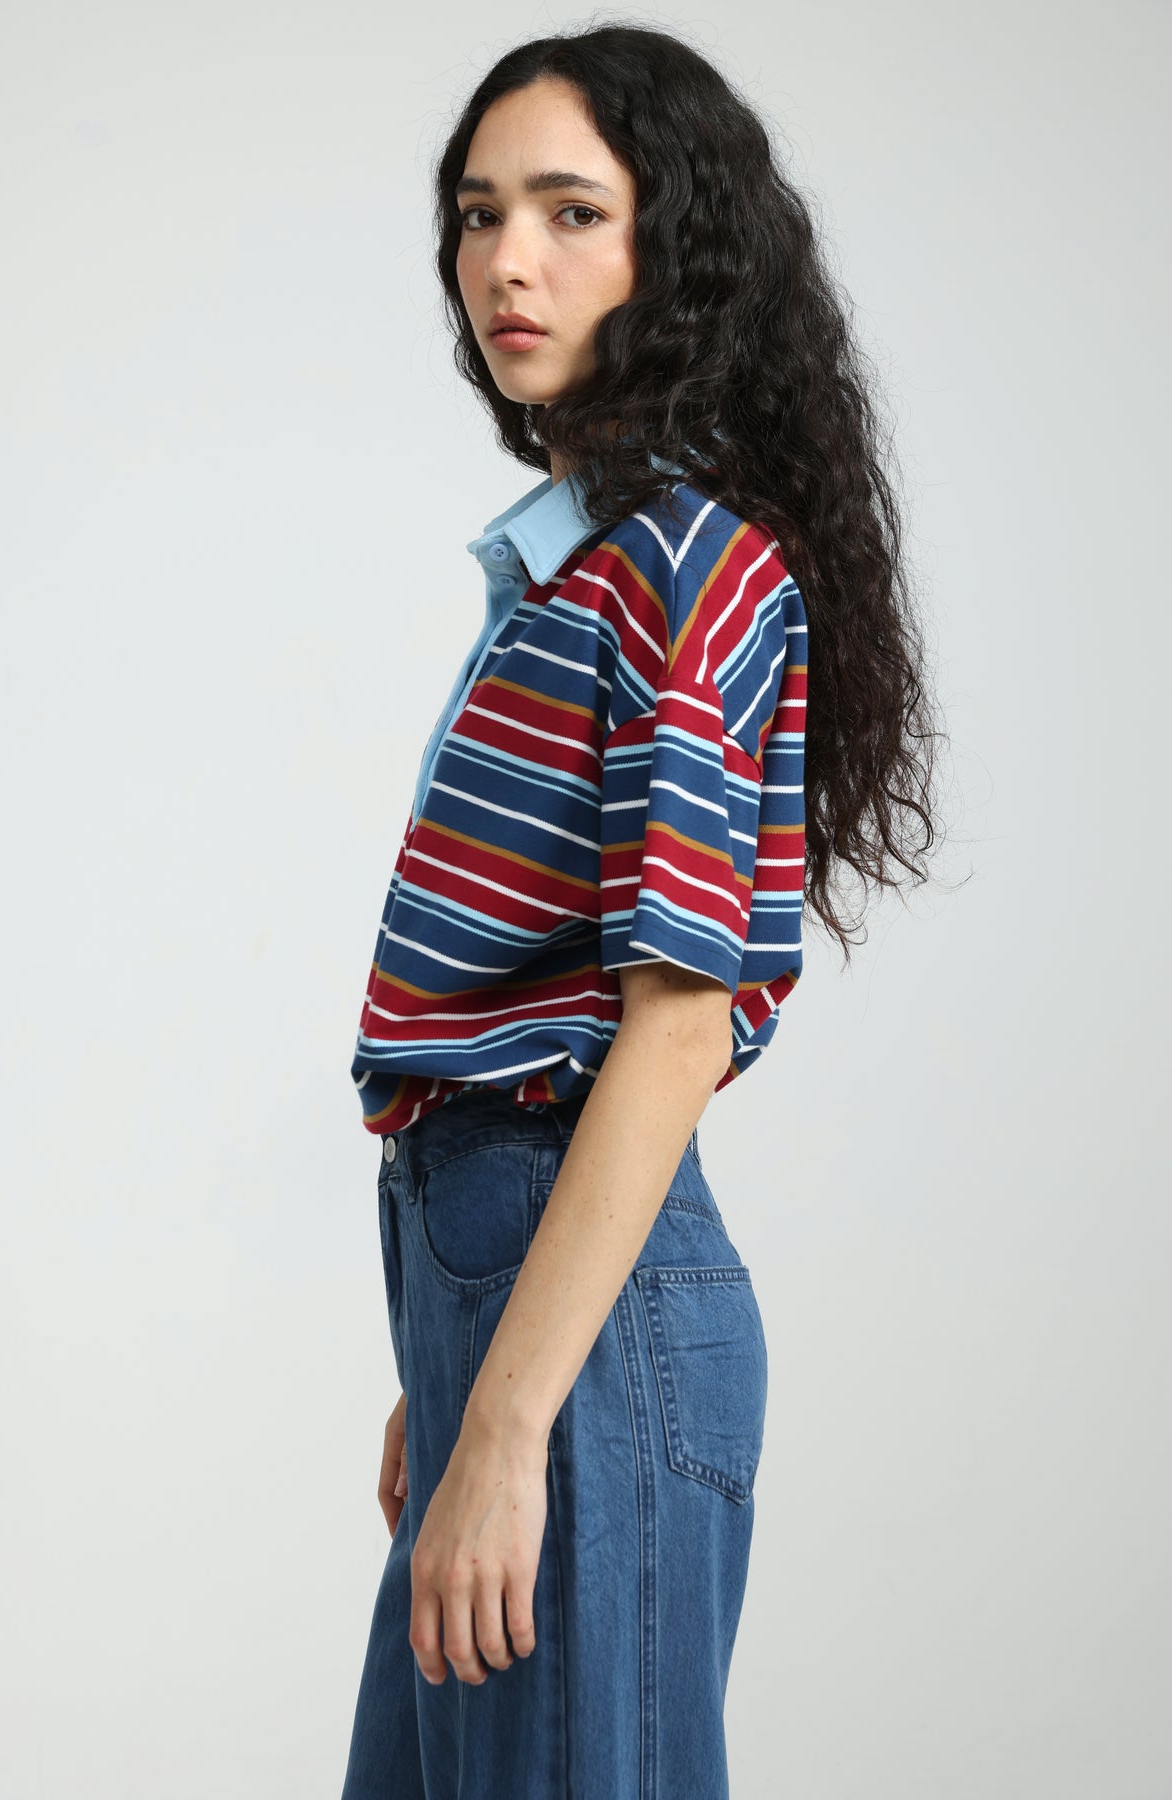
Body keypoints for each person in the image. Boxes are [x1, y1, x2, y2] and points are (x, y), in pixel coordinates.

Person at [340, 23, 940, 1799]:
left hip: (576, 1319)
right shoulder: (584, 560)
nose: (506, 262)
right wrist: (456, 1372)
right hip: (512, 1295)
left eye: (570, 212)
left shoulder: (685, 561)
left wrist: (516, 1412)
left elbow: (669, 1033)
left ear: (677, 249)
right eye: (478, 214)